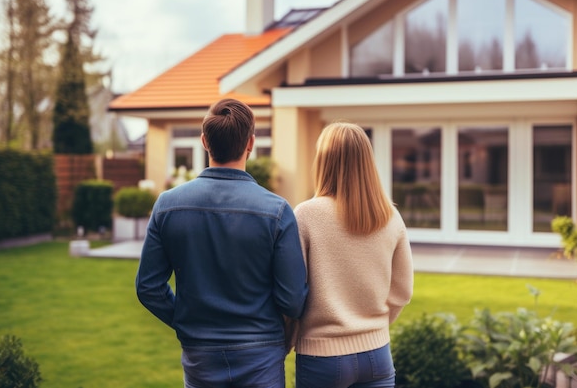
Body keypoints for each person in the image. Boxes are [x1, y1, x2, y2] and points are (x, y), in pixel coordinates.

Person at [136, 98, 308, 388]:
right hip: (261, 352)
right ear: (250, 143)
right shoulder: (277, 211)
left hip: (200, 355)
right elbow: (293, 299)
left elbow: (148, 287)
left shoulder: (167, 205)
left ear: (204, 141)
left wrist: (185, 321)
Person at [292, 122, 414, 388]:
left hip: (321, 357)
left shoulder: (305, 214)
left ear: (324, 161)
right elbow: (403, 292)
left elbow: (292, 291)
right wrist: (374, 327)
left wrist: (289, 338)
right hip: (377, 354)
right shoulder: (390, 216)